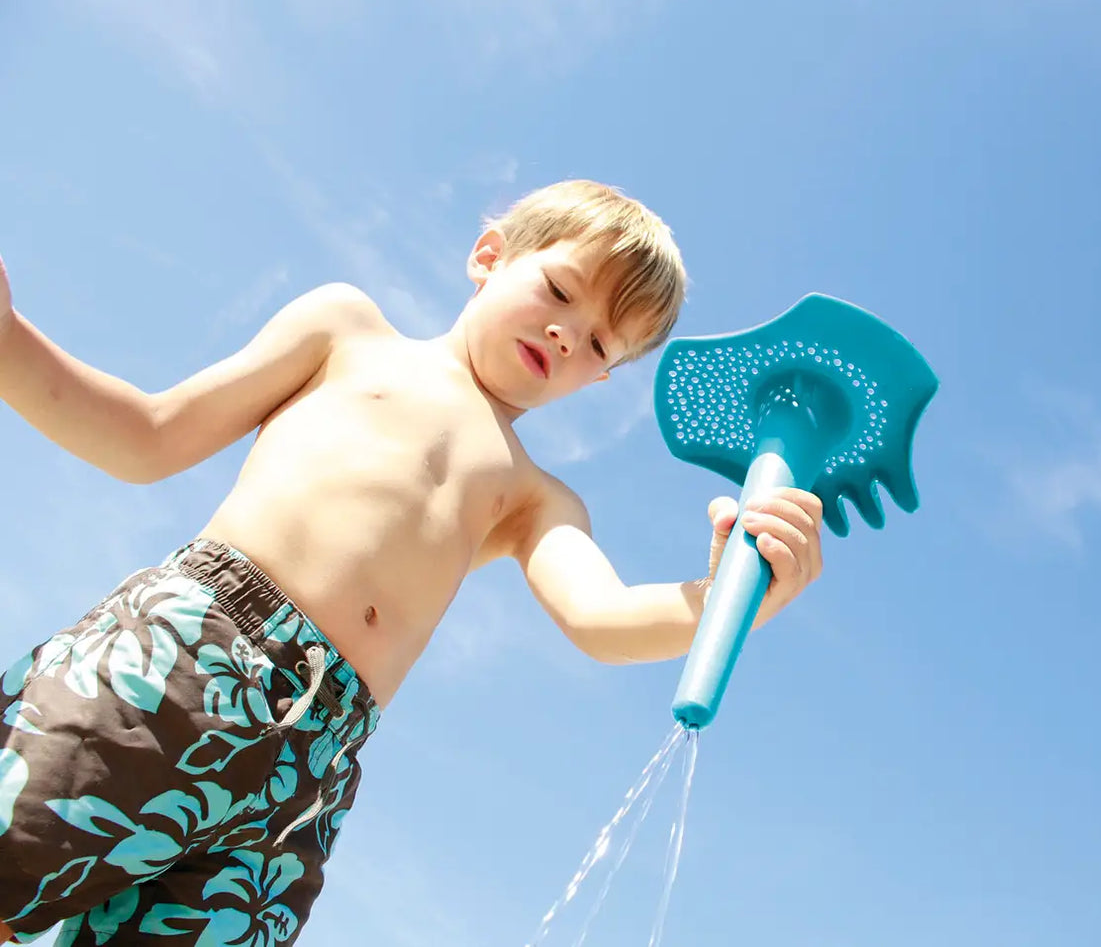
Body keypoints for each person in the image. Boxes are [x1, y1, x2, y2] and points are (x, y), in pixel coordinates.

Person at [0, 180, 824, 945]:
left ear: (602, 375)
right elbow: (147, 436)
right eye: (561, 291)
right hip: (186, 661)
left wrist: (729, 598)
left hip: (308, 777)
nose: (566, 332)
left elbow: (601, 621)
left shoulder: (538, 498)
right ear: (489, 257)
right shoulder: (348, 331)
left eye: (597, 342)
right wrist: (7, 340)